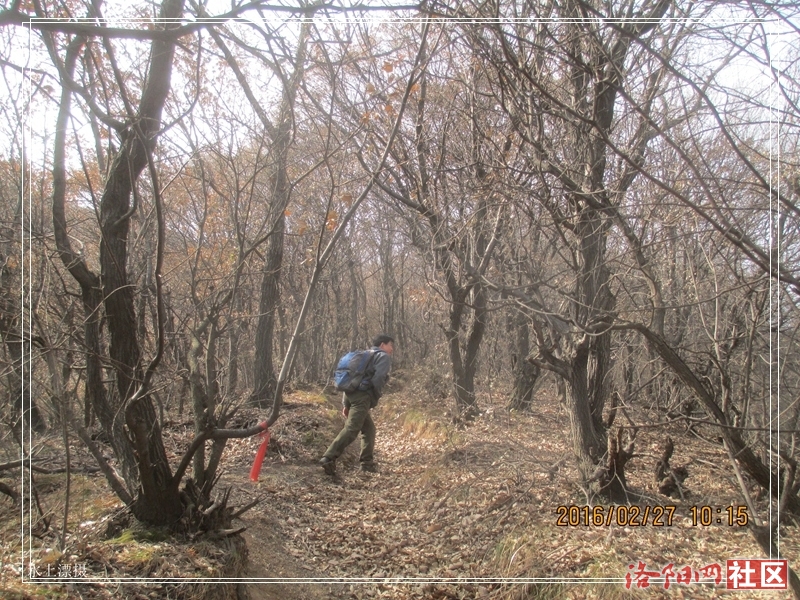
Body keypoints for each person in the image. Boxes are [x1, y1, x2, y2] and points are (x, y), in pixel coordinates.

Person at [320, 334, 394, 475]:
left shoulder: (365, 355)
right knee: (352, 429)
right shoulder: (383, 357)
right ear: (383, 345)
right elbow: (379, 378)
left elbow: (352, 378)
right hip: (362, 396)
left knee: (369, 429)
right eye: (390, 345)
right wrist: (375, 395)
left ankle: (367, 463)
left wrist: (345, 403)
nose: (392, 349)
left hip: (350, 394)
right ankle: (328, 457)